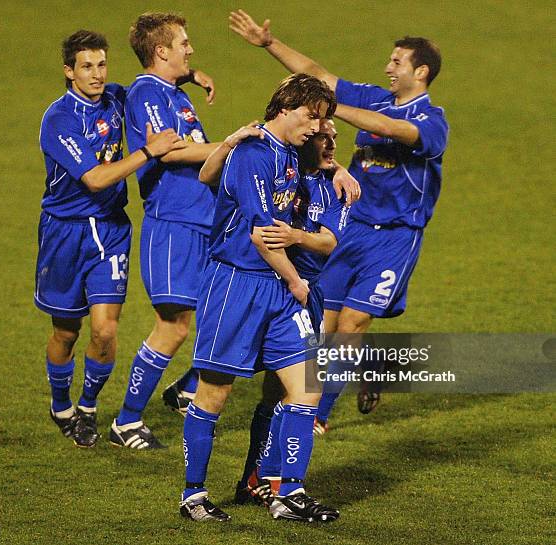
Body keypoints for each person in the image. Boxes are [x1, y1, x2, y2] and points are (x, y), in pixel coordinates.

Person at [230, 10, 449, 429]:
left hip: (395, 238)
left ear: (420, 72)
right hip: (352, 227)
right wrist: (268, 43)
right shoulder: (375, 96)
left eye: (397, 61)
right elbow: (318, 74)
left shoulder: (432, 122)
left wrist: (331, 108)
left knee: (350, 323)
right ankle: (369, 365)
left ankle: (319, 415)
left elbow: (390, 128)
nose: (388, 67)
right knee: (324, 321)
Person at [179, 73, 340, 523]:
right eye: (311, 117)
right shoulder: (253, 154)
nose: (315, 128)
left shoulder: (286, 153)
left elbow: (322, 157)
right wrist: (296, 283)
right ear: (285, 108)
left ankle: (288, 493)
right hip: (236, 283)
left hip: (275, 288)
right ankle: (193, 495)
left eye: (321, 120)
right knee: (214, 393)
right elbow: (261, 235)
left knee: (306, 386)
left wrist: (339, 166)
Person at [35, 30, 184, 448]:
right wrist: (148, 152)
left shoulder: (117, 98)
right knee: (66, 331)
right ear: (69, 71)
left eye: (102, 64)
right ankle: (60, 404)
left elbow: (147, 83)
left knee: (104, 330)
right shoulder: (59, 120)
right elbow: (97, 178)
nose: (97, 74)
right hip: (64, 232)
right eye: (87, 66)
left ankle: (86, 409)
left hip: (112, 232)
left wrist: (191, 74)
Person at [109, 13, 224, 450]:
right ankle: (127, 422)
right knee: (173, 326)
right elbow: (172, 152)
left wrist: (191, 74)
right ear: (161, 51)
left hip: (202, 220)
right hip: (173, 224)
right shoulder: (147, 93)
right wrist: (236, 143)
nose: (190, 49)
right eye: (184, 44)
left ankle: (186, 389)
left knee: (224, 313)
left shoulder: (171, 91)